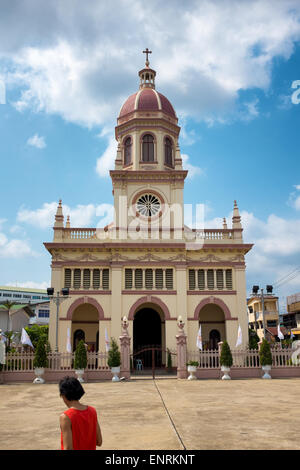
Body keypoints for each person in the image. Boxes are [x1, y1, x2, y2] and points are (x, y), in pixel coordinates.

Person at [59, 376, 102, 450]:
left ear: (63, 395)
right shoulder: (92, 411)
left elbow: (68, 448)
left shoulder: (66, 417)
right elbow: (99, 441)